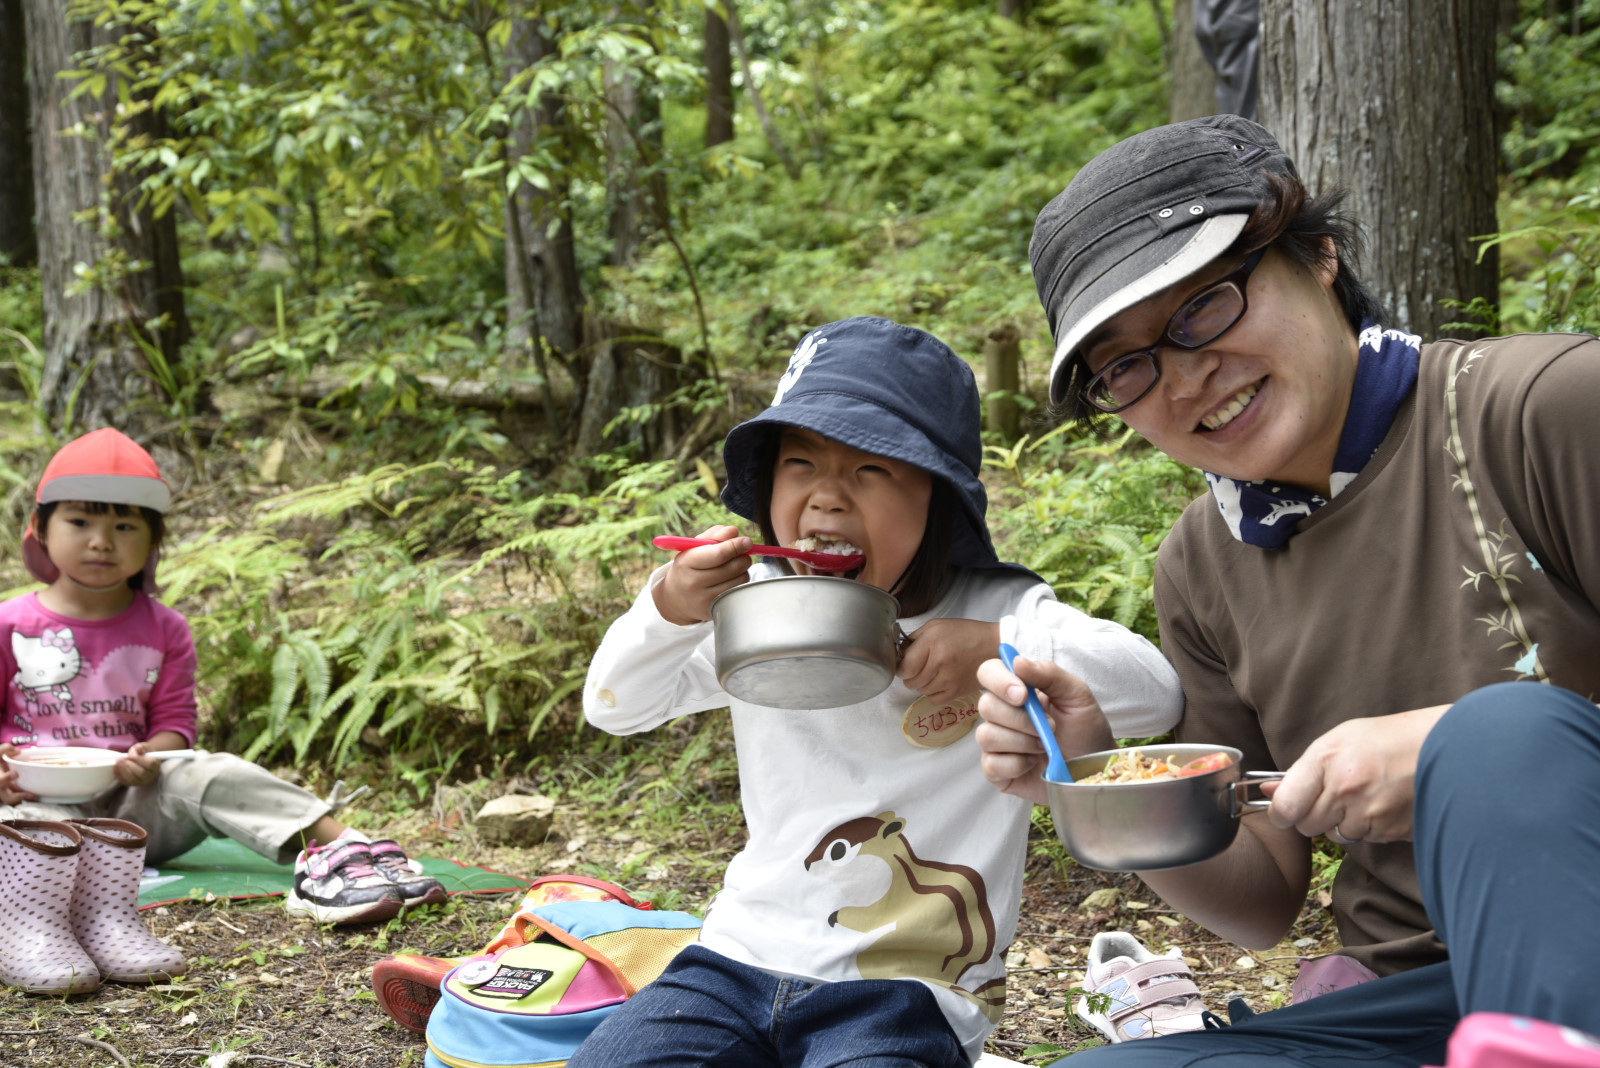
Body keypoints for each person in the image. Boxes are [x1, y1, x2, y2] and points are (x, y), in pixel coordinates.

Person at [975, 113, 1600, 1066]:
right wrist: (1096, 775)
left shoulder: (1540, 411)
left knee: (1500, 735)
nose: (1184, 380)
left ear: (1316, 256)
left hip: (1577, 945)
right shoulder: (1203, 561)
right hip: (1413, 1004)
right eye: (1129, 366)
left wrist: (1446, 754)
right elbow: (1264, 899)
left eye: (1203, 308)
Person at [574, 315, 1184, 1067]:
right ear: (765, 489)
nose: (827, 499)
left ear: (938, 501)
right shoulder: (758, 608)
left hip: (911, 987)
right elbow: (614, 707)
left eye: (870, 470)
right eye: (800, 465)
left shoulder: (999, 611)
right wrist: (670, 607)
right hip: (736, 960)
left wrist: (997, 648)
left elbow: (1156, 692)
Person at [0, 429, 446, 933]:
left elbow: (174, 726)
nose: (101, 541)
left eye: (125, 526)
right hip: (31, 807)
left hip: (132, 811)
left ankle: (341, 852)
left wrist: (149, 759)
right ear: (40, 526)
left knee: (209, 770)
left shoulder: (165, 628)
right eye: (79, 521)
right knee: (16, 835)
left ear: (153, 540)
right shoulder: (9, 624)